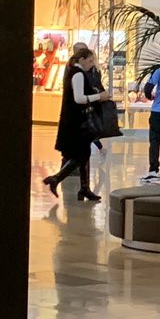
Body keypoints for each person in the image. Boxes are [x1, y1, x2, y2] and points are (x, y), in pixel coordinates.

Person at [44, 43, 117, 203]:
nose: (92, 64)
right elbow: (79, 99)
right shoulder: (78, 74)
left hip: (76, 121)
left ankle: (84, 188)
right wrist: (99, 97)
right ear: (82, 59)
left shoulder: (74, 72)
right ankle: (57, 179)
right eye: (90, 61)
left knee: (83, 155)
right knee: (80, 155)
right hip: (77, 122)